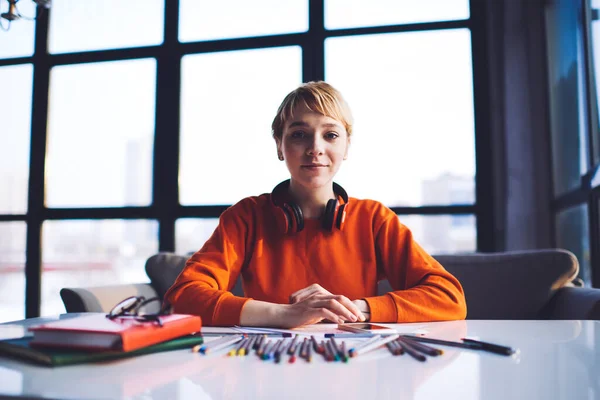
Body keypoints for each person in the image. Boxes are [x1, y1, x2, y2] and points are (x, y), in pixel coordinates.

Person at [164, 81, 467, 328]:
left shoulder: (374, 218)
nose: (315, 149)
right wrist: (285, 315)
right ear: (279, 146)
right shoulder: (245, 217)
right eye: (299, 135)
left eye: (330, 135)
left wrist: (349, 309)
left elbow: (449, 297)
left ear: (346, 146)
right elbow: (182, 297)